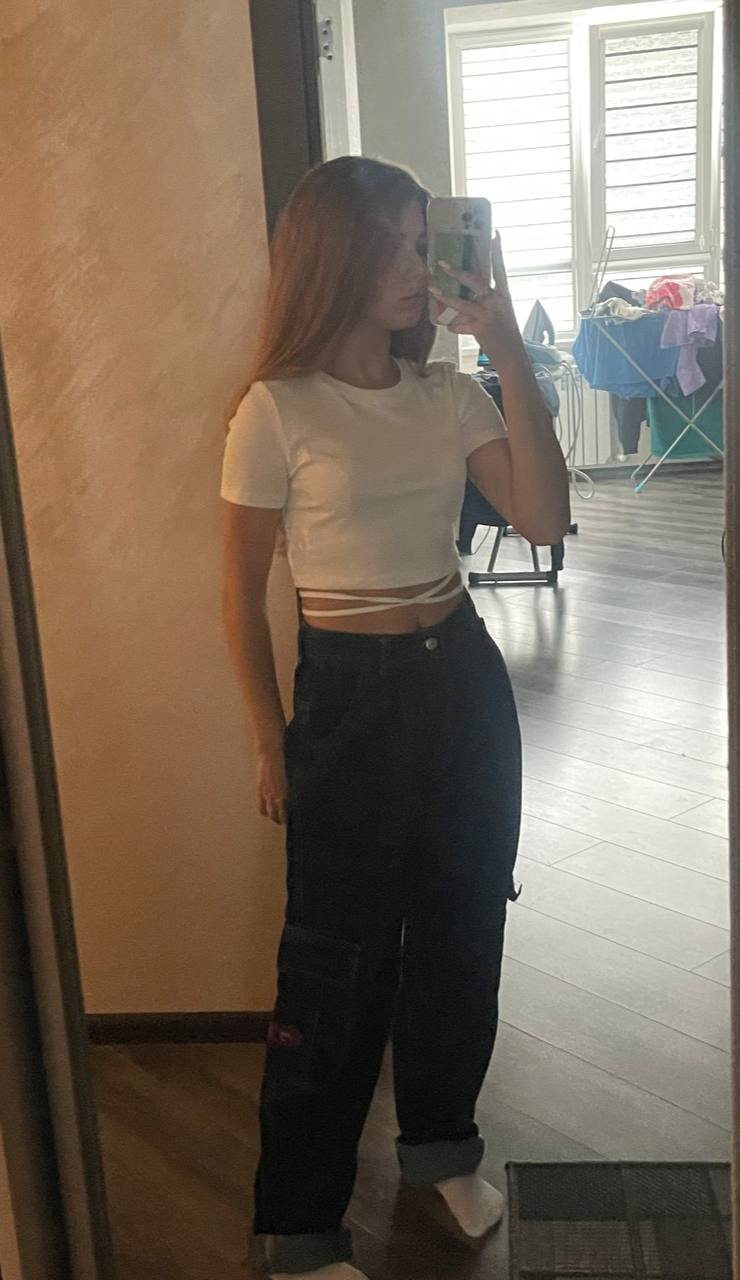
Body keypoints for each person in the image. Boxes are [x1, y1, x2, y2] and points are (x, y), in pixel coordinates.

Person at [221, 156, 570, 1280]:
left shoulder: (449, 396)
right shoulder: (275, 409)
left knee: (464, 933)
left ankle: (440, 1149)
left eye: (430, 243)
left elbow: (543, 516)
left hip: (460, 683)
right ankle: (299, 1225)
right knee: (335, 963)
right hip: (347, 698)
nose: (422, 268)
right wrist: (270, 739)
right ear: (335, 256)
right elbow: (236, 596)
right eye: (399, 246)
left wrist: (502, 339)